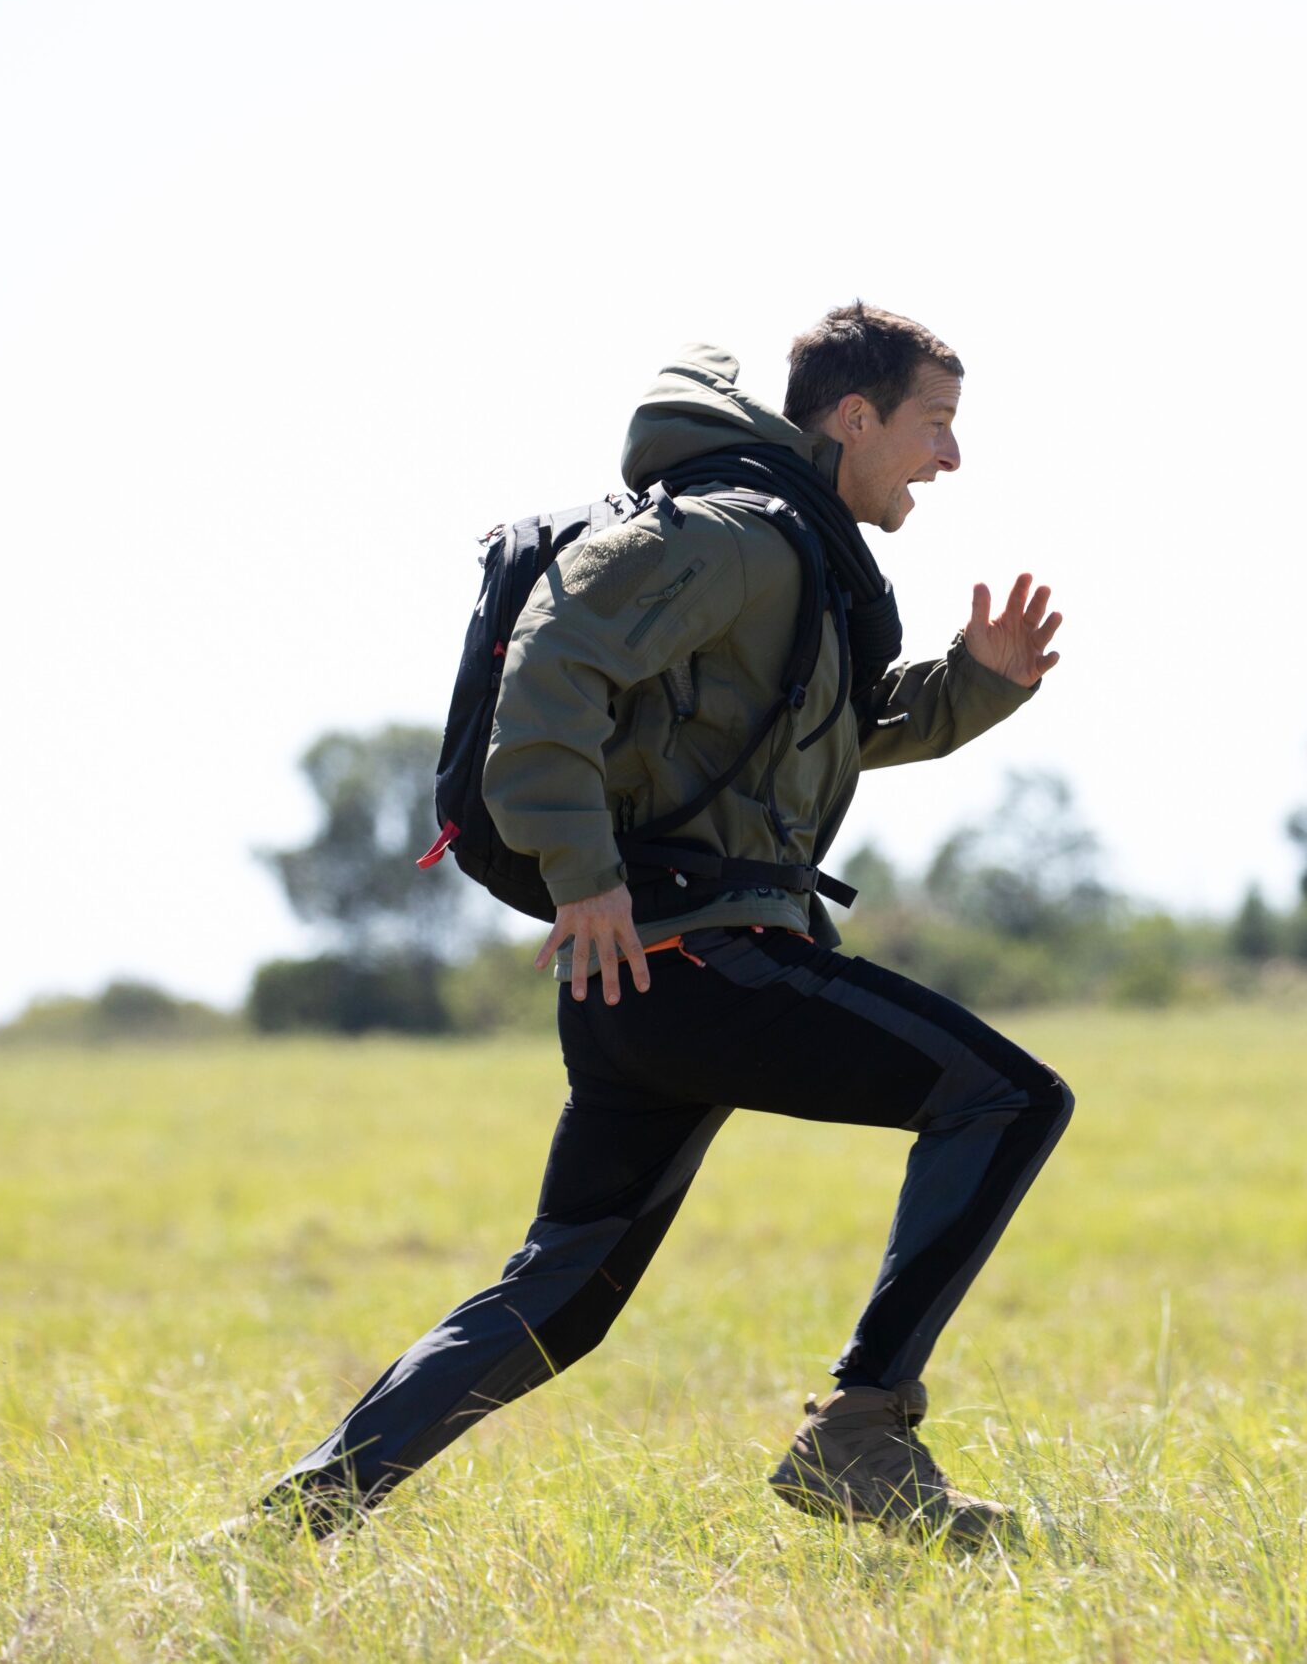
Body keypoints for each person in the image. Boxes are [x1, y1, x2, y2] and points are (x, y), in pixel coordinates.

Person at [263, 303, 1072, 1546]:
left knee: (560, 1295)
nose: (949, 460)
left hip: (651, 969)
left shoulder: (786, 549)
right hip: (695, 957)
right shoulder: (741, 535)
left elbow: (817, 736)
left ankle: (293, 1523)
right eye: (934, 426)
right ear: (852, 419)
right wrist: (581, 873)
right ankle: (858, 1433)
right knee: (1007, 1097)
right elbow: (551, 668)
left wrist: (979, 683)